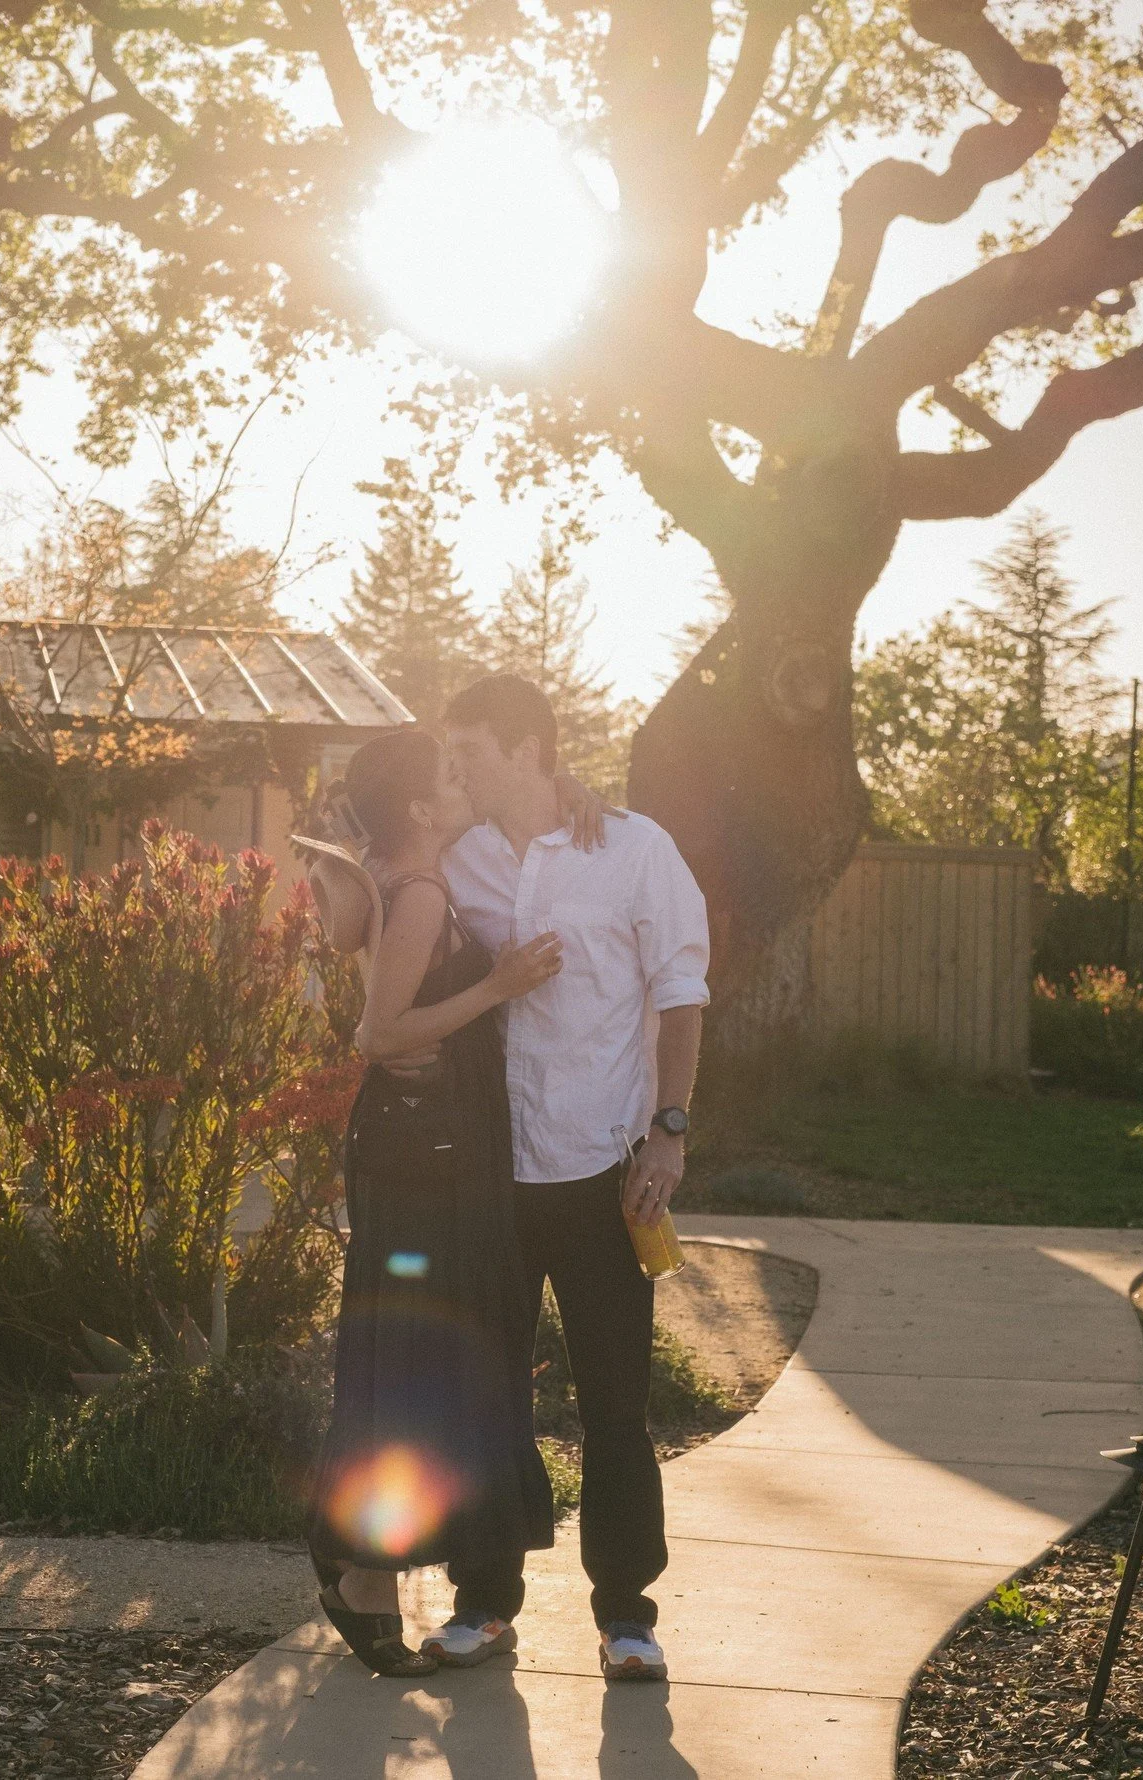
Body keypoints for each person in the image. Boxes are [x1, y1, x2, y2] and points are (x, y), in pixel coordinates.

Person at [414, 673, 710, 1687]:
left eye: (473, 753)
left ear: (529, 749)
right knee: (485, 1393)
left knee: (616, 1404)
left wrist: (669, 1137)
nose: (458, 771)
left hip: (603, 1172)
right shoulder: (462, 865)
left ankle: (627, 1616)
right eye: (450, 758)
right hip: (494, 1176)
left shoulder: (634, 850)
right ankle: (483, 1604)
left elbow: (680, 1000)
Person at [305, 727, 564, 1678]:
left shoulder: (399, 876)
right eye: (449, 779)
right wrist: (496, 985)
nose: (462, 788)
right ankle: (364, 1577)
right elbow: (379, 1031)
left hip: (426, 1147)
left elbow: (345, 940)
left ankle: (359, 1565)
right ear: (419, 808)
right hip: (425, 1154)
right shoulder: (416, 890)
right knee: (419, 1354)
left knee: (412, 1353)